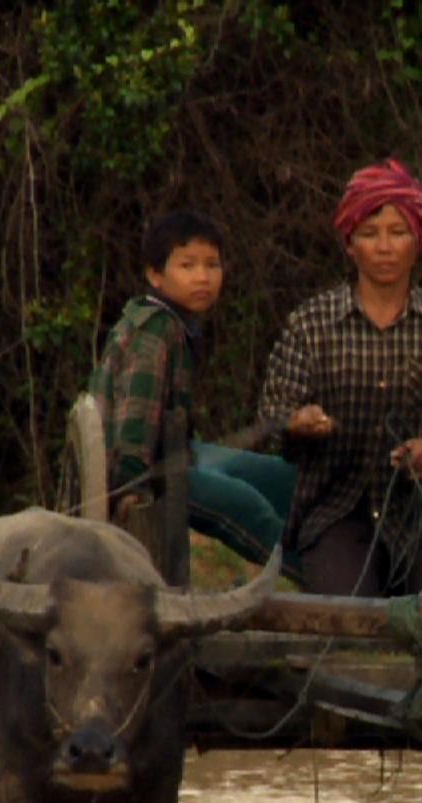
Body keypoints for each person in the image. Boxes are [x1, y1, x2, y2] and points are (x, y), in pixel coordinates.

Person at [256, 160, 422, 598]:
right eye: (369, 234)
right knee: (348, 627)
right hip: (338, 513)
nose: (384, 247)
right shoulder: (312, 324)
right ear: (350, 245)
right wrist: (300, 421)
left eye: (398, 233)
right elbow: (274, 412)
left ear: (417, 242)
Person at [88, 210, 296, 570]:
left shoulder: (177, 323)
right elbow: (136, 416)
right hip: (145, 472)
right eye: (187, 266)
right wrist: (132, 488)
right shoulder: (155, 331)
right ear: (155, 275)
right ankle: (331, 589)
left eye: (212, 265)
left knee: (285, 478)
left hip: (177, 452)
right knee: (248, 507)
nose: (203, 277)